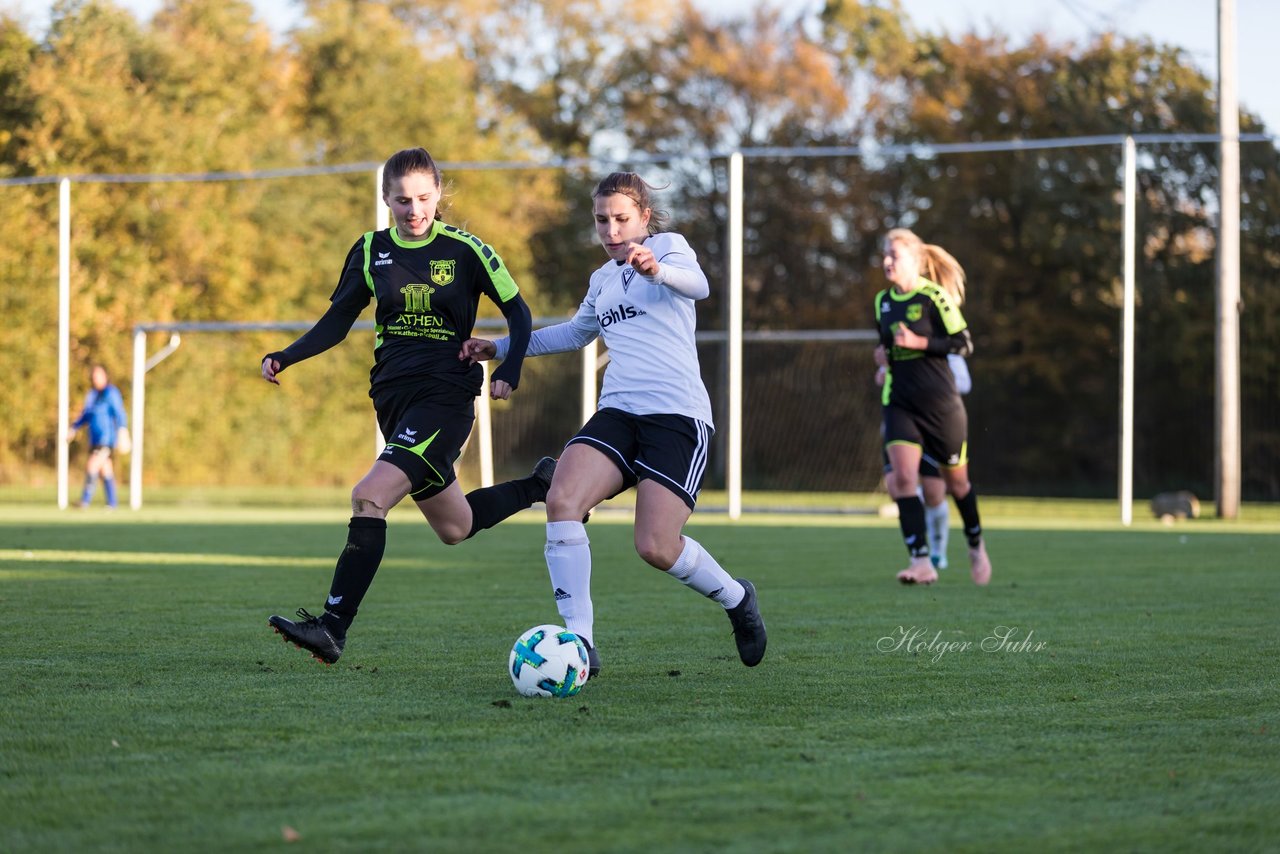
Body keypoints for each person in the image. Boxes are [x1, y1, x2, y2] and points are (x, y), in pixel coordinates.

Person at [461, 172, 767, 675]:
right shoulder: (601, 280)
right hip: (619, 412)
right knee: (561, 498)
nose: (611, 230)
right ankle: (580, 642)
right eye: (602, 220)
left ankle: (736, 598)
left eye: (621, 218)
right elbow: (574, 333)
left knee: (655, 546)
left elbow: (701, 286)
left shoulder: (668, 248)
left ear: (644, 217)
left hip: (677, 417)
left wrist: (656, 271)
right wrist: (499, 348)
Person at [263, 147, 554, 665]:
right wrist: (287, 355)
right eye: (402, 200)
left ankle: (332, 628)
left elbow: (518, 311)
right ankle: (541, 484)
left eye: (423, 198)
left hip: (444, 399)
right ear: (386, 200)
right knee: (455, 526)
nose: (413, 209)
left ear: (438, 194)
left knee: (369, 496)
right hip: (392, 400)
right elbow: (336, 322)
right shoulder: (371, 250)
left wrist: (509, 369)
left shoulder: (467, 250)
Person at [875, 227, 991, 586]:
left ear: (915, 260)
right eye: (885, 255)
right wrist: (883, 361)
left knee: (958, 485)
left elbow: (963, 343)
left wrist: (919, 341)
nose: (887, 262)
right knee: (902, 479)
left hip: (941, 406)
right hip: (900, 403)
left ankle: (975, 544)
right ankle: (921, 561)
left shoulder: (934, 297)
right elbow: (888, 350)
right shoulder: (883, 301)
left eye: (894, 255)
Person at [876, 335, 972, 570]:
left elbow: (964, 383)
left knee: (934, 492)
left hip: (933, 425)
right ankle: (919, 554)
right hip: (899, 423)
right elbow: (882, 376)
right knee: (895, 487)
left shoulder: (941, 349)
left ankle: (936, 552)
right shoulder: (896, 349)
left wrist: (928, 379)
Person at [67, 364, 128, 509]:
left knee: (92, 465)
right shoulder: (92, 395)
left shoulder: (111, 393)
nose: (95, 378)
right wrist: (74, 428)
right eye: (94, 376)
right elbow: (86, 415)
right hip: (94, 439)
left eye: (98, 375)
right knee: (105, 469)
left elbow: (119, 413)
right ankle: (112, 503)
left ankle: (85, 500)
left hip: (106, 439)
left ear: (105, 376)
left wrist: (123, 430)